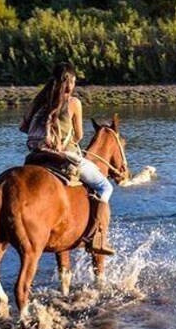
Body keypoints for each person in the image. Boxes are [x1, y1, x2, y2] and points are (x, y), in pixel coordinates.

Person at [19, 62, 116, 255]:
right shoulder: (73, 103)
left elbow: (23, 127)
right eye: (72, 80)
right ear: (70, 82)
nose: (73, 84)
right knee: (105, 187)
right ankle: (98, 237)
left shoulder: (39, 100)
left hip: (35, 156)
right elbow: (79, 135)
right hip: (62, 154)